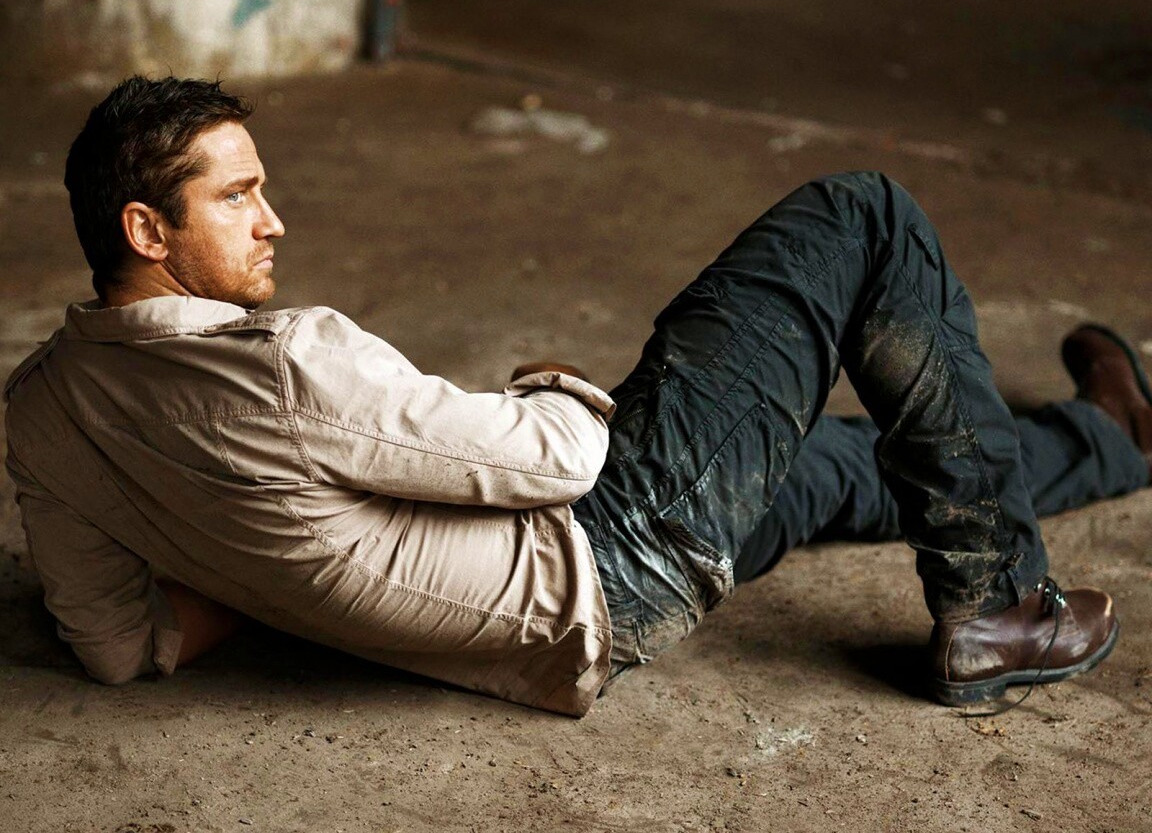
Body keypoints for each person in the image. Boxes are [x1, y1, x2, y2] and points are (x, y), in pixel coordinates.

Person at [5, 76, 1150, 717]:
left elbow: (115, 641)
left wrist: (266, 565)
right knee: (864, 217)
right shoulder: (290, 362)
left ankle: (1107, 436)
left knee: (824, 466)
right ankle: (998, 604)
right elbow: (562, 459)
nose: (274, 221)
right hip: (608, 544)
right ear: (147, 230)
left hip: (545, 622)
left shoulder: (42, 409)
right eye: (238, 198)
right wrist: (552, 383)